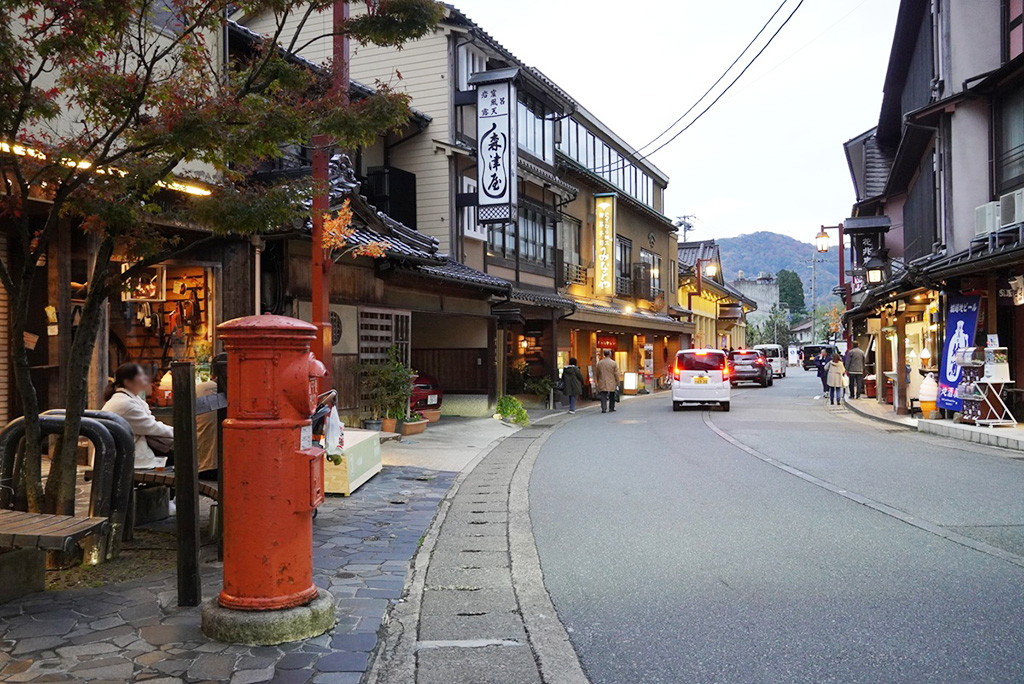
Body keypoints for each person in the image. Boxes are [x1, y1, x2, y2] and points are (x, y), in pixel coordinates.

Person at [102, 363, 174, 470]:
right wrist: (180, 434)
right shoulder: (125, 404)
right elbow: (152, 427)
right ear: (128, 382)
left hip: (124, 454)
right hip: (126, 459)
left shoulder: (127, 399)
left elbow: (150, 423)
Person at [595, 349, 619, 413]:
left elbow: (597, 373)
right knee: (612, 394)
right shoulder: (613, 363)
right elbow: (616, 373)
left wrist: (597, 380)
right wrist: (617, 382)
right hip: (611, 381)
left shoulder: (600, 363)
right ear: (610, 354)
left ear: (604, 354)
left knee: (603, 395)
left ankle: (604, 408)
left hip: (602, 380)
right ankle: (611, 407)